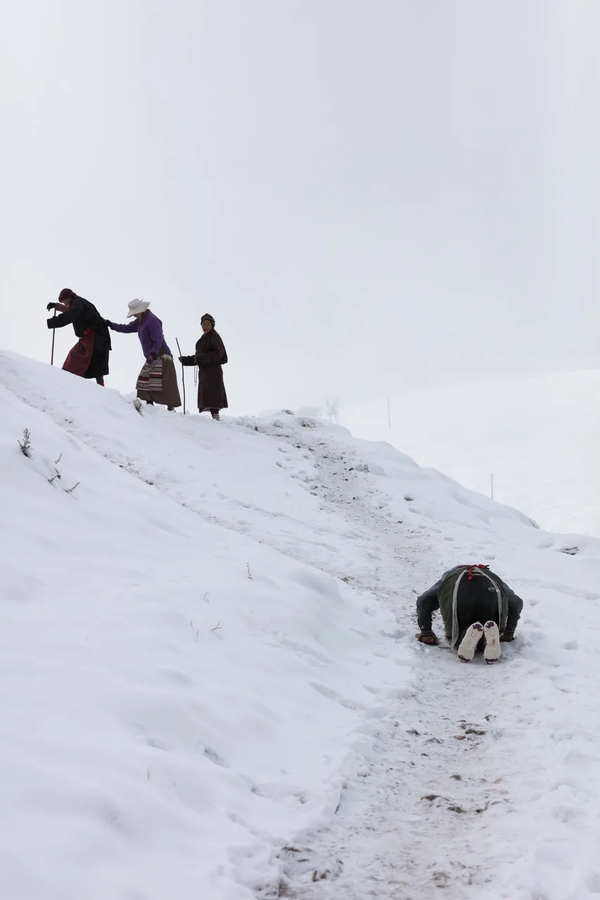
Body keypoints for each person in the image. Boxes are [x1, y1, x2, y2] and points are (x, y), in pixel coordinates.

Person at [415, 564, 523, 664]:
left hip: (459, 591)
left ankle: (463, 637)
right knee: (489, 618)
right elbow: (516, 602)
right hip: (490, 592)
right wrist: (508, 633)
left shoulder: (450, 578)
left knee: (458, 628)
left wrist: (426, 633)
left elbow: (423, 601)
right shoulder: (493, 578)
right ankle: (487, 637)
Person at [106, 299, 181, 411]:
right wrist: (111, 325)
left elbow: (158, 339)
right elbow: (126, 328)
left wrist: (154, 352)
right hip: (151, 356)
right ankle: (149, 404)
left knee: (165, 382)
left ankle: (170, 408)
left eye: (135, 313)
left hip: (161, 355)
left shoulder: (152, 320)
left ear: (141, 310)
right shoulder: (140, 321)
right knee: (145, 380)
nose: (134, 315)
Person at [46, 288, 111, 385]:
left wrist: (53, 322)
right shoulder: (78, 303)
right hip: (93, 336)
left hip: (95, 336)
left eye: (63, 302)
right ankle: (70, 382)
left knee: (91, 360)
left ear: (68, 298)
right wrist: (57, 306)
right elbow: (71, 311)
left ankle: (67, 383)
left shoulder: (78, 303)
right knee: (86, 359)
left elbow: (72, 314)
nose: (64, 304)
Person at [178, 313, 228, 420]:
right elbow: (198, 357)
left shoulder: (214, 336)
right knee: (207, 395)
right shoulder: (203, 339)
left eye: (207, 324)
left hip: (213, 371)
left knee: (214, 394)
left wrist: (204, 358)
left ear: (212, 325)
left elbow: (219, 353)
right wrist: (186, 360)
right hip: (205, 372)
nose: (205, 326)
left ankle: (216, 416)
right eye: (203, 324)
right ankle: (214, 416)